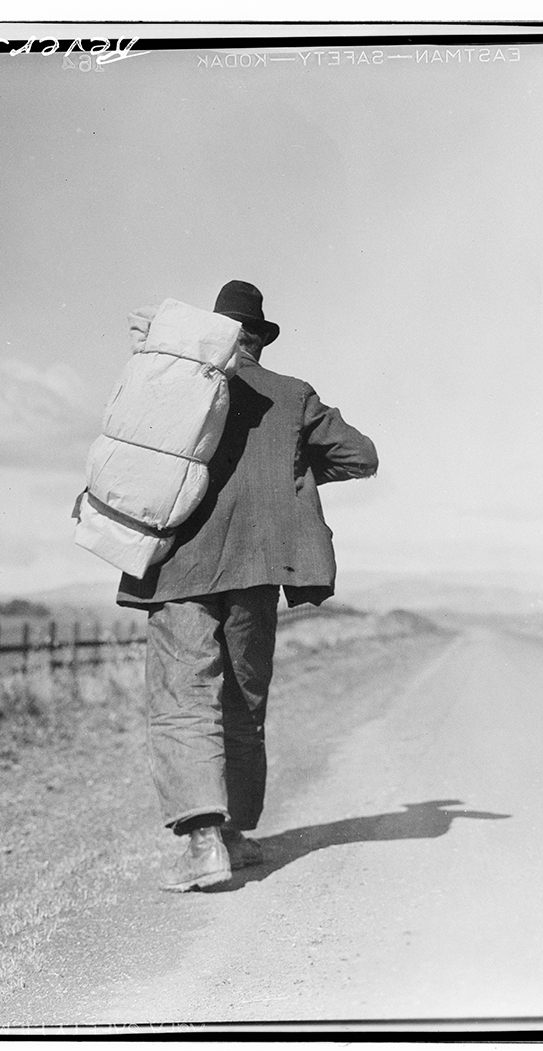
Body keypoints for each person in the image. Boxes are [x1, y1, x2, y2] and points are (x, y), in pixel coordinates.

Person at [117, 280, 379, 891]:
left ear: (214, 333)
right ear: (259, 339)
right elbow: (360, 457)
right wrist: (285, 473)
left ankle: (205, 845)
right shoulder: (292, 397)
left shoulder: (175, 383)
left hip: (176, 565)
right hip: (259, 570)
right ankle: (233, 834)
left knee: (184, 696)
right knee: (242, 698)